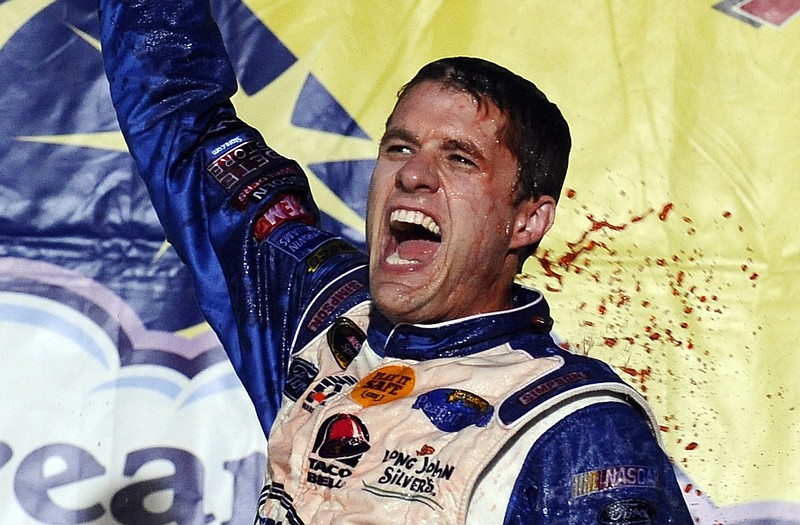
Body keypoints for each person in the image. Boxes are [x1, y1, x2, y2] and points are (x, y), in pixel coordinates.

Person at [99, 0, 693, 523]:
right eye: (400, 147)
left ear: (528, 220)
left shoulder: (574, 427)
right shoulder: (323, 314)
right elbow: (177, 115)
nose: (413, 174)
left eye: (459, 159)